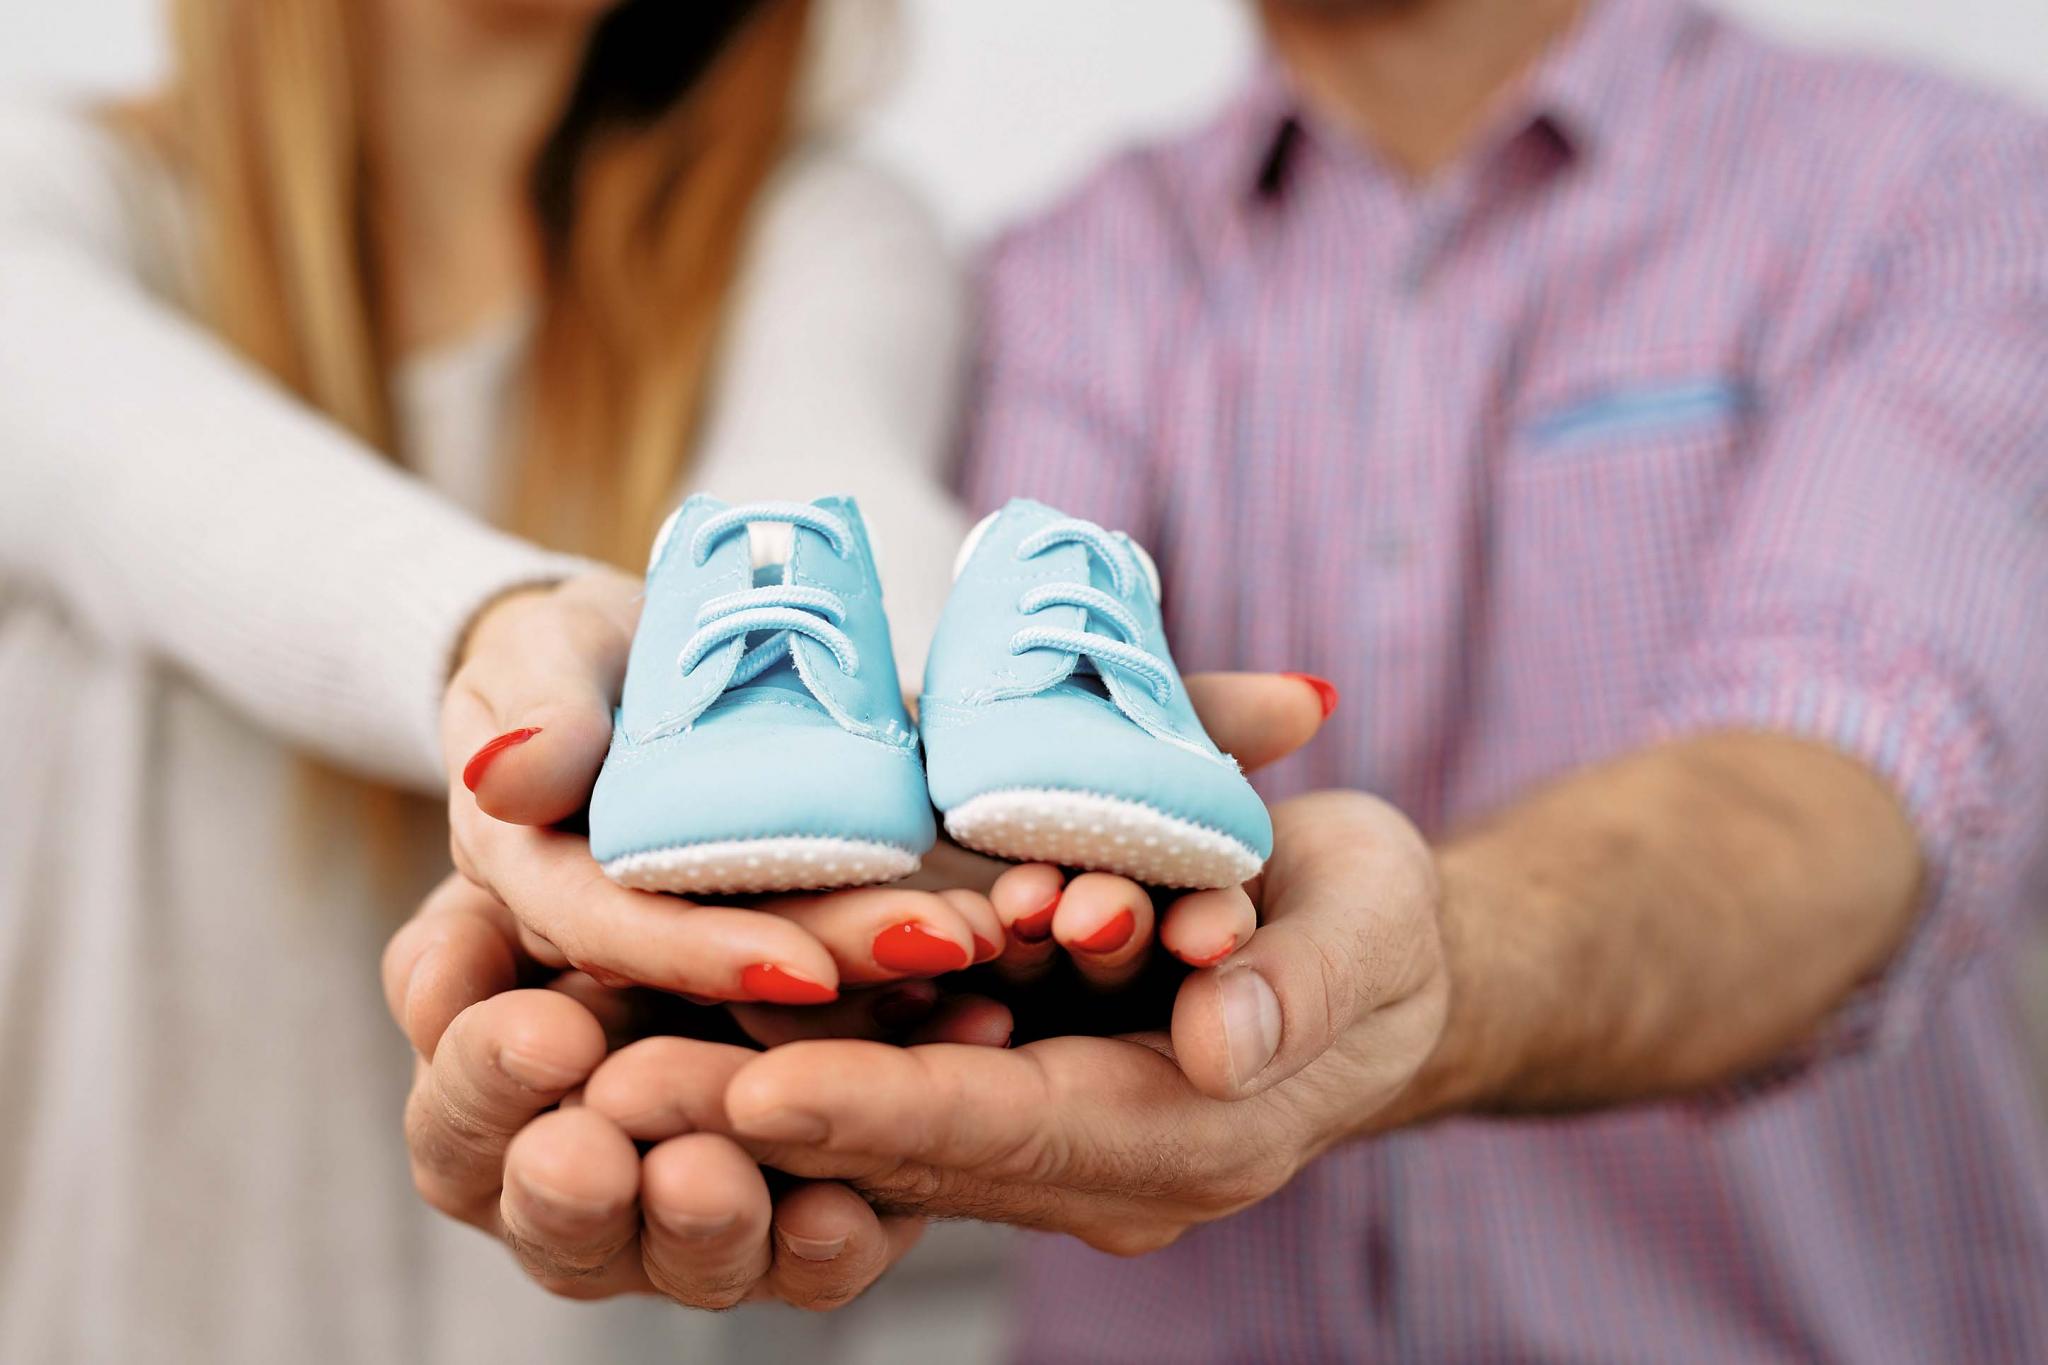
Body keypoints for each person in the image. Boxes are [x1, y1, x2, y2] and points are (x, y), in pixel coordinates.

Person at [396, 0, 2048, 1358]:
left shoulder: (1950, 192)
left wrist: (1434, 973)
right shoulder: (1062, 280)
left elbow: (1842, 784)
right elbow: (951, 726)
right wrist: (824, 947)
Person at [0, 0, 970, 1358]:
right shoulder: (46, 194)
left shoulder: (824, 230)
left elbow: (830, 509)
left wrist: (916, 735)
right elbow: (155, 478)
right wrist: (507, 649)